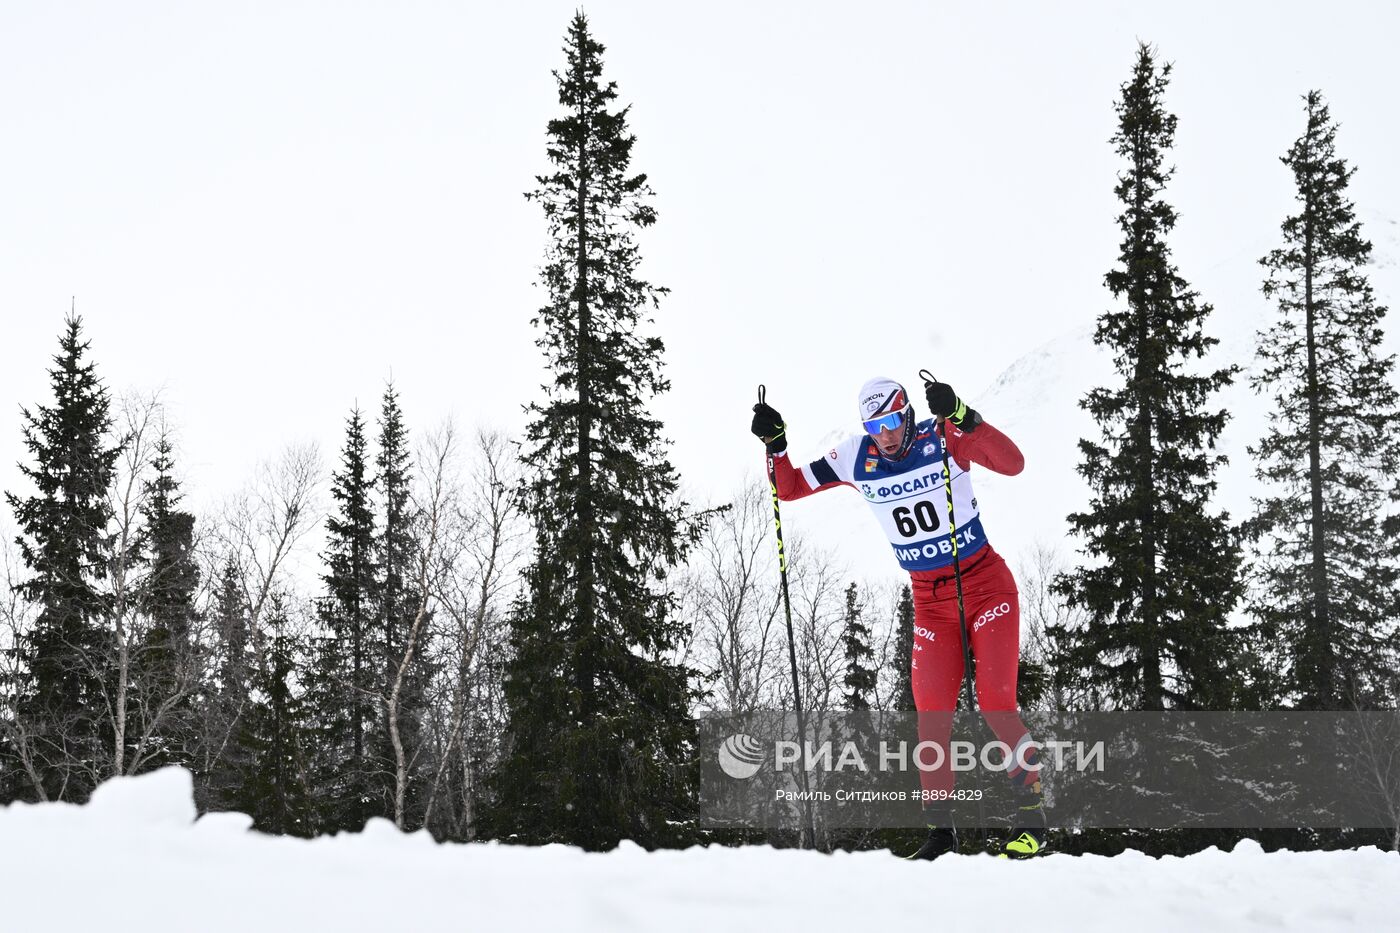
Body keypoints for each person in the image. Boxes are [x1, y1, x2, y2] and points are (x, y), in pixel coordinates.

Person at [751, 376, 1046, 859]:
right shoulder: (854, 456)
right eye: (875, 426)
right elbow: (788, 488)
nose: (885, 436)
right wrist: (777, 445)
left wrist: (964, 415)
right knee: (931, 719)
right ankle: (940, 835)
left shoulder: (942, 435)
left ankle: (1031, 821)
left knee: (996, 703)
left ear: (907, 413)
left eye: (891, 422)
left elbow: (1013, 464)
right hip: (930, 600)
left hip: (984, 583)